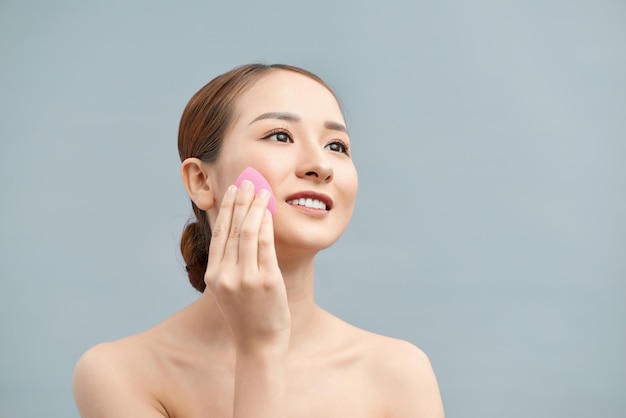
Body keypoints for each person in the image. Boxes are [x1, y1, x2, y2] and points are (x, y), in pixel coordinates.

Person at [73, 63, 445, 418]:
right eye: (280, 136)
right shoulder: (120, 373)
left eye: (337, 146)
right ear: (201, 182)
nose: (321, 165)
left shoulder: (400, 373)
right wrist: (260, 349)